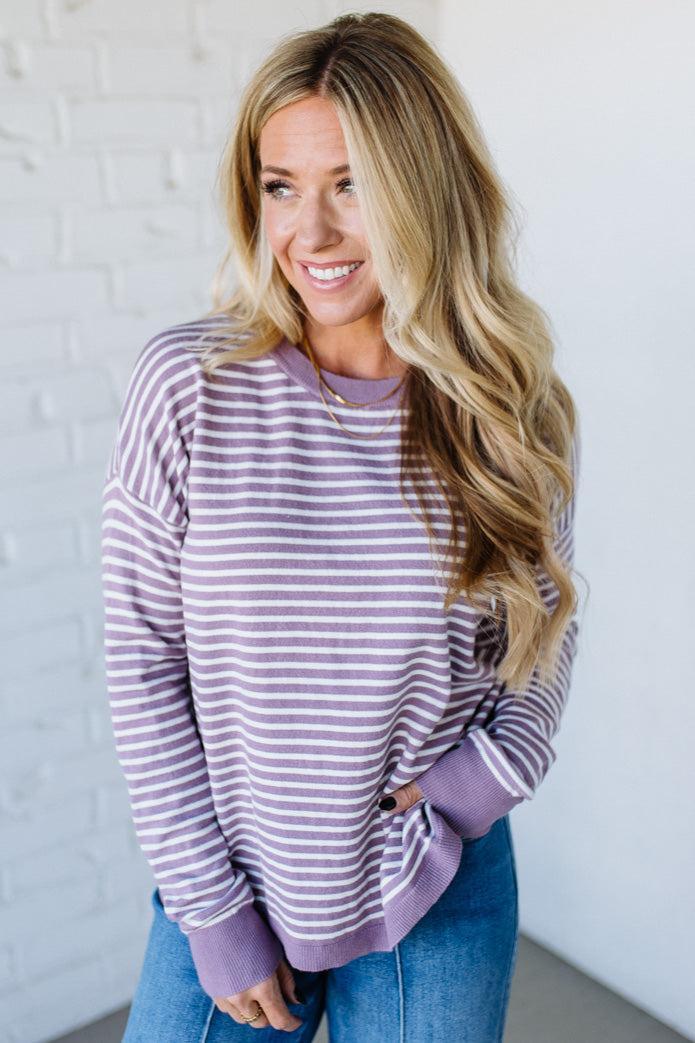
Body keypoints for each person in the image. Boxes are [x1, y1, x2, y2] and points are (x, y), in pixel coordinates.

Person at [101, 11, 581, 1042]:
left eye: (350, 183)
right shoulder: (189, 387)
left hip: (435, 881)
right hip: (230, 886)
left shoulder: (506, 408)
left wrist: (473, 787)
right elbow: (144, 661)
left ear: (423, 187)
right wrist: (210, 909)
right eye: (281, 186)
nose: (307, 234)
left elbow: (541, 639)